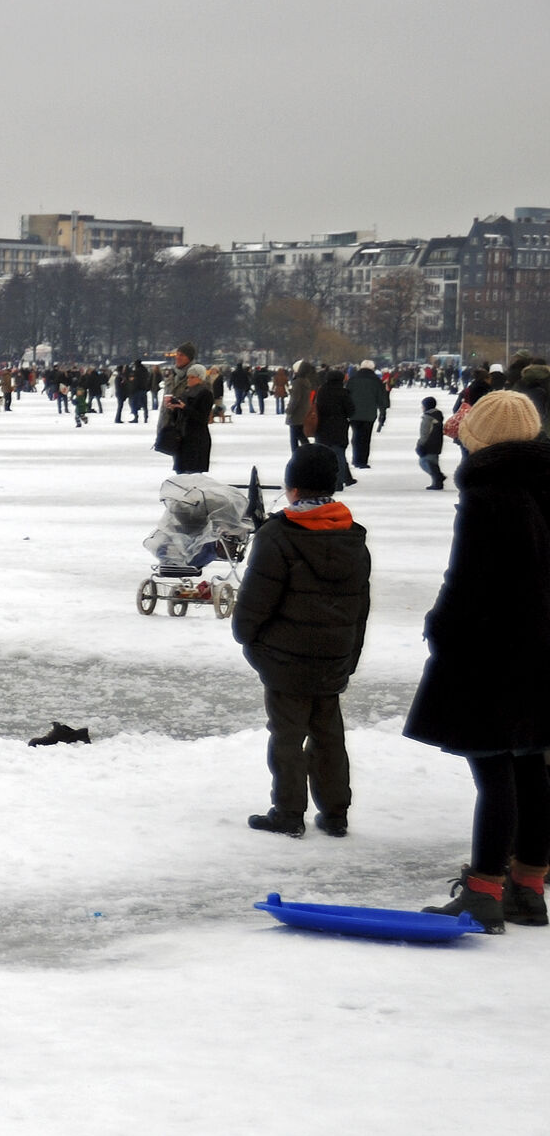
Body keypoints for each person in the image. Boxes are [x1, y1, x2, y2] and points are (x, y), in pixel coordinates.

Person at [404, 391, 550, 933]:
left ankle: (485, 889)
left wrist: (440, 629)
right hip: (543, 648)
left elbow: (466, 582)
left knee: (494, 767)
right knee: (531, 765)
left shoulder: (489, 494)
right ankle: (529, 887)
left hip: (493, 651)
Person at [237, 445, 370, 839]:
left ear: (292, 488)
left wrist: (250, 640)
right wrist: (349, 654)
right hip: (333, 656)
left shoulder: (277, 535)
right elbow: (360, 606)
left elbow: (255, 602)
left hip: (285, 658)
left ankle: (288, 812)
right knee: (329, 735)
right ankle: (335, 813)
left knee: (288, 736)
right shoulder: (353, 536)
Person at [163, 364, 215, 474]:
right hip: (183, 438)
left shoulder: (206, 394)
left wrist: (184, 407)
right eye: (188, 377)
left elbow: (202, 418)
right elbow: (179, 416)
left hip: (197, 439)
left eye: (192, 377)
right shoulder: (186, 392)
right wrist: (174, 409)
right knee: (181, 473)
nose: (189, 380)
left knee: (192, 473)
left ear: (200, 378)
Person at [313, 368, 356, 487]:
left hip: (322, 427)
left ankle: (324, 480)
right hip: (339, 427)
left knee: (323, 455)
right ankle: (339, 482)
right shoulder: (343, 393)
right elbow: (351, 411)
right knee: (339, 455)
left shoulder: (321, 391)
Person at [347, 360, 387, 469]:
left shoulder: (352, 380)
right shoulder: (376, 381)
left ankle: (356, 458)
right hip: (369, 414)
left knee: (356, 435)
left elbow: (347, 395)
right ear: (372, 368)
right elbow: (381, 399)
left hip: (353, 413)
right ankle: (362, 460)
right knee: (365, 437)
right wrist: (383, 412)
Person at [415, 396, 447, 489]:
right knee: (433, 463)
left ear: (426, 406)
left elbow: (425, 433)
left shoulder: (428, 418)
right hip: (437, 444)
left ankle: (438, 477)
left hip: (428, 445)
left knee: (424, 462)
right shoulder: (437, 416)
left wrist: (420, 444)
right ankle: (437, 482)